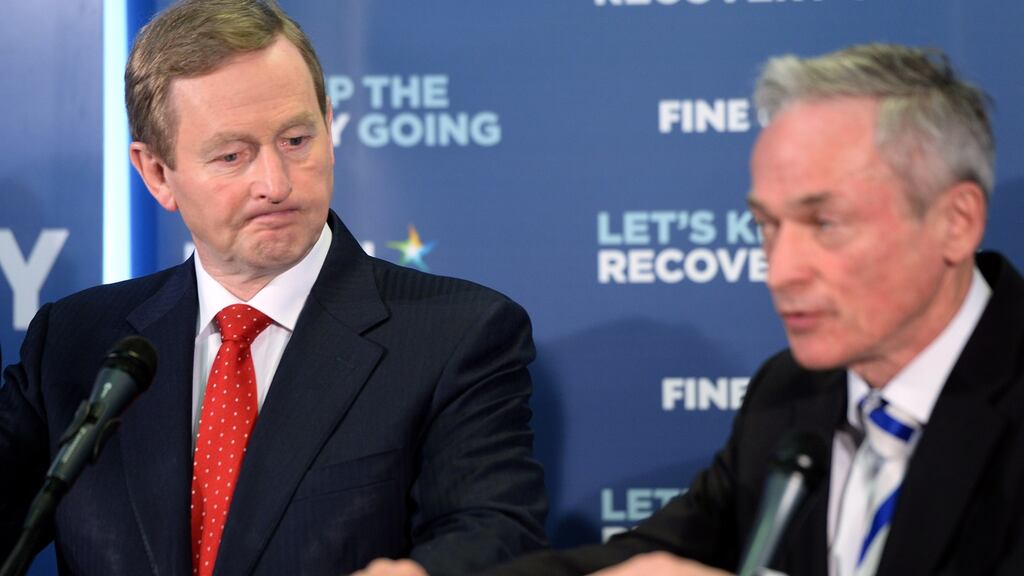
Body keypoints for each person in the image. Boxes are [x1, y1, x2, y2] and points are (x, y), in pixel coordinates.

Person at [0, 1, 547, 575]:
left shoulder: (455, 335)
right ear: (157, 173)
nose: (275, 184)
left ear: (329, 128)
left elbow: (495, 534)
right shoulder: (74, 345)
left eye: (294, 140)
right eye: (232, 156)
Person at [482, 43, 1024, 576]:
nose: (779, 270)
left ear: (956, 221)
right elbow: (653, 558)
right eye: (766, 227)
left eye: (825, 224)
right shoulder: (789, 393)